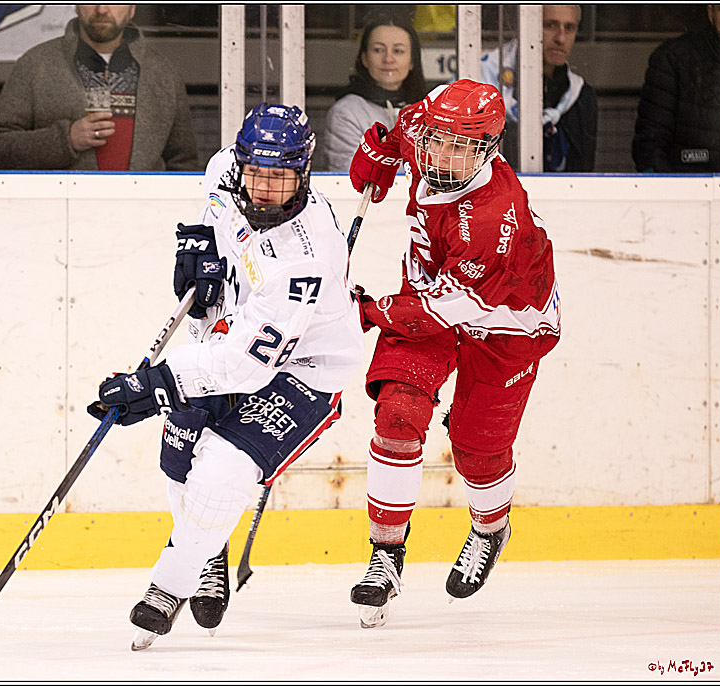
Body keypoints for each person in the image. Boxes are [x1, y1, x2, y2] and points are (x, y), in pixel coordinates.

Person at [88, 103, 365, 649]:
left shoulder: (303, 260)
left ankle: (169, 585)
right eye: (256, 173)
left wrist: (156, 384)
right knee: (179, 457)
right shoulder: (225, 172)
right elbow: (216, 210)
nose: (265, 189)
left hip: (303, 369)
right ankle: (207, 549)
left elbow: (245, 366)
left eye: (281, 177)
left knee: (220, 472)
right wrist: (201, 247)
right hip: (229, 334)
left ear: (304, 173)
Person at [345, 79, 561, 628]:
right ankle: (385, 555)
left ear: (489, 148)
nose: (443, 155)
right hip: (429, 292)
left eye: (461, 148)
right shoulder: (427, 125)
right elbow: (400, 132)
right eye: (437, 142)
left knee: (476, 446)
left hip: (507, 321)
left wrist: (365, 310)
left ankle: (490, 528)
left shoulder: (495, 220)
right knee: (397, 416)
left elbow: (440, 309)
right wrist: (378, 152)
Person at [0, 5, 198, 171]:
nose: (102, 9)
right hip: (58, 212)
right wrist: (66, 140)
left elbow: (184, 163)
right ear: (76, 6)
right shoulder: (36, 64)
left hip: (145, 212)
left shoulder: (163, 73)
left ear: (132, 8)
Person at [480, 5, 597, 172]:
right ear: (527, 26)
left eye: (569, 28)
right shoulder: (484, 81)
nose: (561, 38)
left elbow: (583, 174)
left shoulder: (581, 95)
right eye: (550, 25)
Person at [319, 17, 427, 172]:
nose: (388, 59)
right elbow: (352, 177)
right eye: (378, 50)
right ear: (364, 58)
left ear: (412, 61)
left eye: (398, 51)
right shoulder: (346, 112)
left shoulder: (429, 111)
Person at [632, 4, 720, 173]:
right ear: (710, 12)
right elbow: (649, 147)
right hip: (689, 186)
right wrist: (672, 187)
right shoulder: (675, 59)